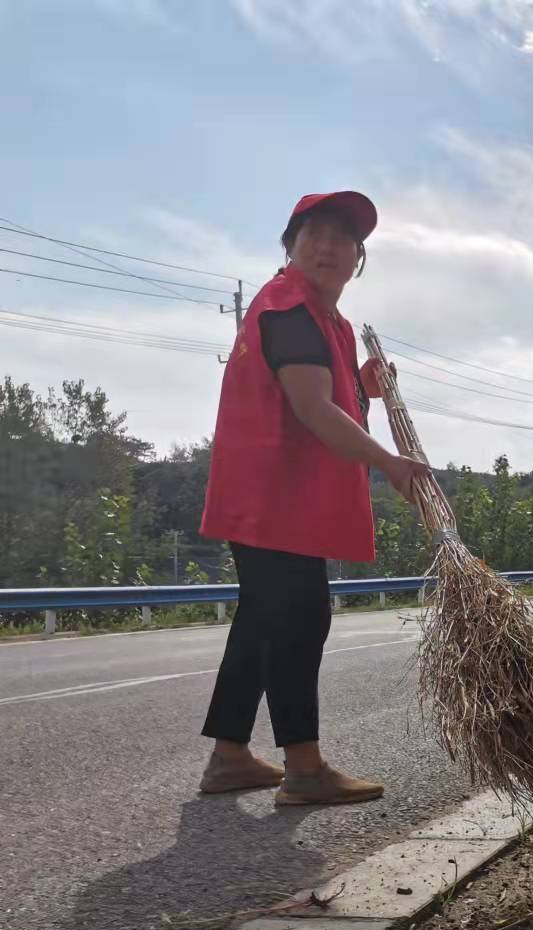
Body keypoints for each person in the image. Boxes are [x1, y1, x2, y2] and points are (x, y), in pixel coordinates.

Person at [197, 190, 429, 805]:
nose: (329, 247)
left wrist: (366, 387)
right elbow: (311, 408)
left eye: (344, 239)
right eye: (314, 234)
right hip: (274, 499)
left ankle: (229, 757)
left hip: (278, 499)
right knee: (300, 619)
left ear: (358, 258)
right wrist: (390, 464)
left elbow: (330, 393)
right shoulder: (290, 308)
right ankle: (303, 768)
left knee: (260, 621)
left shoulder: (328, 321)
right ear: (290, 245)